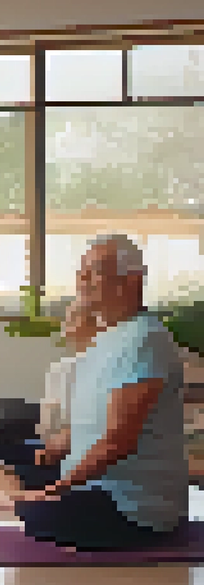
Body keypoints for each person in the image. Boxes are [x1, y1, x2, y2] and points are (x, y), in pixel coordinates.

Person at [11, 235, 187, 550]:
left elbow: (118, 441)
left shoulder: (144, 339)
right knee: (9, 464)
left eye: (94, 271)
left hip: (130, 507)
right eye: (81, 271)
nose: (81, 279)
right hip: (90, 487)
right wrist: (50, 454)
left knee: (33, 511)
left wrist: (54, 489)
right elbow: (87, 423)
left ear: (131, 280)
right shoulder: (106, 341)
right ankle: (21, 501)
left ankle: (24, 504)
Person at [0, 304, 99, 507]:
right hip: (65, 449)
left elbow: (71, 431)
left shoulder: (76, 368)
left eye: (71, 319)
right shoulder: (68, 367)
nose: (64, 324)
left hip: (76, 457)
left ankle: (13, 497)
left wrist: (50, 449)